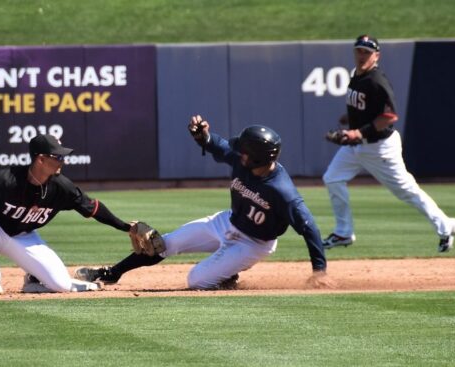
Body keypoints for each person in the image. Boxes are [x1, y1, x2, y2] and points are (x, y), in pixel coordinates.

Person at [75, 115, 328, 290]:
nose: (239, 151)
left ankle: (227, 275)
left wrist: (319, 270)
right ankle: (113, 273)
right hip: (226, 222)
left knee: (196, 280)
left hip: (254, 243)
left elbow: (309, 228)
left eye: (245, 150)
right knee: (162, 244)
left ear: (258, 158)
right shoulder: (243, 160)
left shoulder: (282, 191)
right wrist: (203, 138)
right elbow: (219, 147)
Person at [0, 134, 136, 294]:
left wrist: (127, 227)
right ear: (40, 160)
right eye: (57, 156)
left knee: (61, 285)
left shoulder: (62, 187)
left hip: (25, 237)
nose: (62, 160)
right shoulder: (7, 180)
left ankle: (34, 280)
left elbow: (95, 209)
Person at [322, 35, 455, 252]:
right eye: (359, 51)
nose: (362, 56)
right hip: (357, 146)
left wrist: (357, 131)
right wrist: (349, 118)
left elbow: (388, 116)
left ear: (376, 55)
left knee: (406, 191)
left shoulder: (376, 81)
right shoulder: (356, 76)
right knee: (332, 178)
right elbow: (366, 108)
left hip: (380, 147)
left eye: (367, 52)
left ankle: (445, 227)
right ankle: (343, 232)